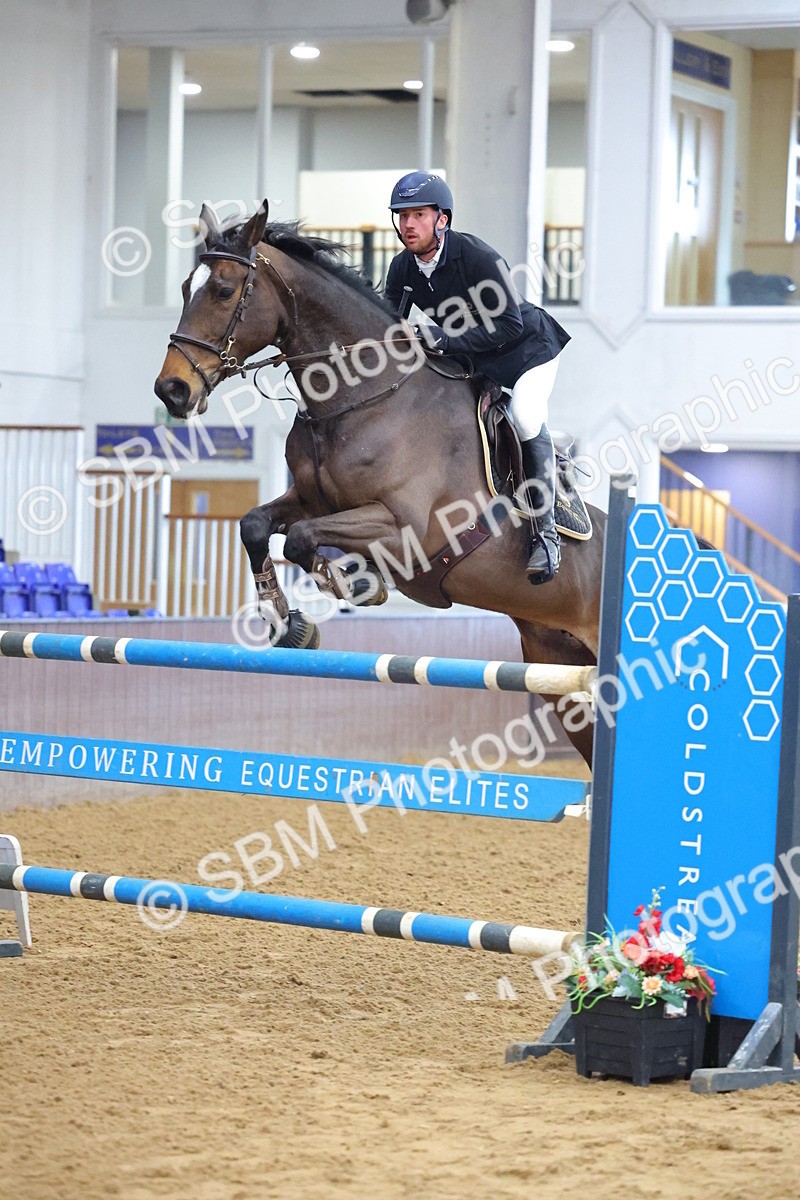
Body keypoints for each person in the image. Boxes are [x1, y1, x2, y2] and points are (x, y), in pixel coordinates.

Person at [384, 171, 570, 585]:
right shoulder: (402, 268)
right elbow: (385, 326)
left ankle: (546, 536)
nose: (408, 224)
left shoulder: (478, 258)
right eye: (402, 215)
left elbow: (507, 326)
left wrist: (444, 339)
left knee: (524, 415)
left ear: (442, 220)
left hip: (527, 353)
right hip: (476, 362)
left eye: (418, 214)